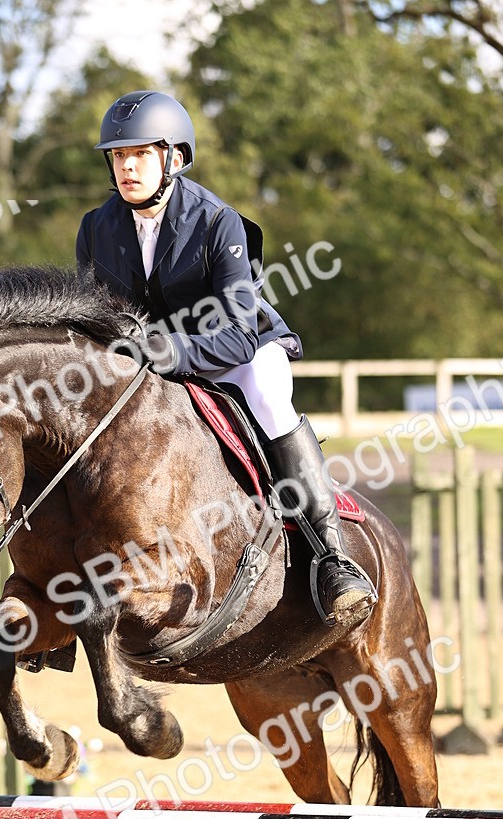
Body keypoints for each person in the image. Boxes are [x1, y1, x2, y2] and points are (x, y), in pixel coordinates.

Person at [76, 90, 376, 625]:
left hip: (238, 350)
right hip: (149, 359)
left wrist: (174, 349)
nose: (127, 166)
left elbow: (237, 335)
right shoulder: (96, 228)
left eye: (141, 154)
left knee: (265, 389)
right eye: (119, 156)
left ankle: (332, 557)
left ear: (175, 158)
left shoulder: (218, 223)